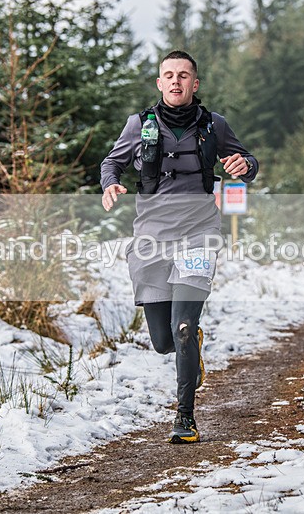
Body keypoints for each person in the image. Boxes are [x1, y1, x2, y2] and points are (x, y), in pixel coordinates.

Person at [100, 50, 259, 444]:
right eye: (169, 75)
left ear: (194, 83)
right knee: (163, 340)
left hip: (199, 235)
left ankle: (185, 417)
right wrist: (110, 184)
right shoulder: (139, 125)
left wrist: (245, 166)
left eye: (183, 75)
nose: (176, 81)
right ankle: (193, 349)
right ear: (159, 83)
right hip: (152, 238)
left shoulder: (214, 125)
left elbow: (247, 160)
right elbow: (111, 162)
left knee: (184, 328)